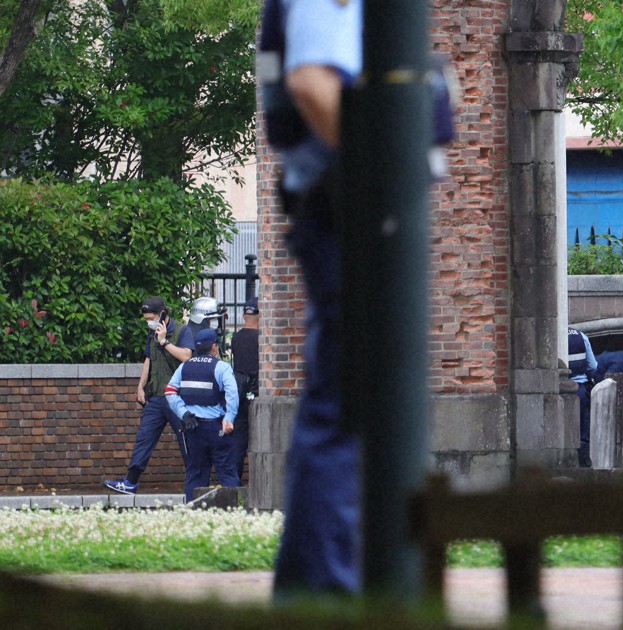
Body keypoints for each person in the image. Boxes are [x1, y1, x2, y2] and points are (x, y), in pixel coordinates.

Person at [260, 0, 364, 598]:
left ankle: (312, 590)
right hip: (344, 208)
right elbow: (311, 80)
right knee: (341, 410)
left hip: (338, 205)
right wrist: (384, 169)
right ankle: (320, 593)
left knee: (339, 402)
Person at [103, 296, 195, 494]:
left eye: (152, 317)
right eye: (146, 319)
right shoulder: (152, 333)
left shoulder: (181, 331)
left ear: (163, 313)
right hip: (156, 397)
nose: (149, 322)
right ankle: (131, 481)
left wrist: (164, 342)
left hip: (177, 398)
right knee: (144, 437)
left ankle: (196, 482)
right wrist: (140, 386)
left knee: (186, 440)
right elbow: (148, 360)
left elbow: (187, 356)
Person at [165, 328, 239, 501]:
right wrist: (229, 418)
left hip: (193, 427)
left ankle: (193, 512)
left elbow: (169, 392)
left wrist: (184, 413)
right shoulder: (222, 367)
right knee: (227, 473)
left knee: (196, 475)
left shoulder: (184, 366)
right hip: (218, 428)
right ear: (214, 347)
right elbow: (232, 394)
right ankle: (234, 513)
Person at [229, 297, 260, 485]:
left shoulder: (236, 338)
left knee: (239, 438)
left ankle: (234, 479)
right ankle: (256, 480)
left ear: (243, 315)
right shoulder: (262, 339)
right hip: (257, 392)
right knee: (258, 437)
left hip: (239, 391)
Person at [568, 327, 598, 468]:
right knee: (583, 429)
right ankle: (582, 461)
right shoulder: (581, 336)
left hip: (558, 388)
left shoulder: (550, 335)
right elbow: (593, 366)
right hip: (580, 388)